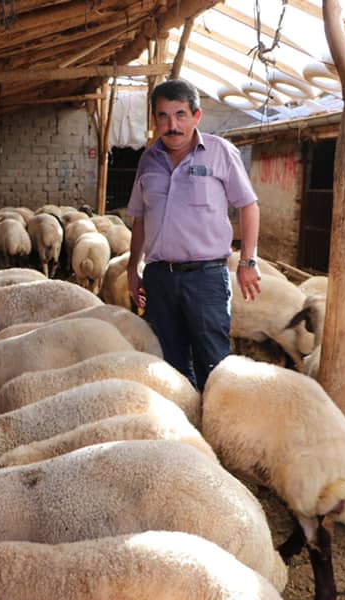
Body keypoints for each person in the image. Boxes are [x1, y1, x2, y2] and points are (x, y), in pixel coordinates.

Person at [126, 79, 261, 391]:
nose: (172, 125)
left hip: (206, 278)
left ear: (196, 116)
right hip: (160, 278)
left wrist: (248, 261)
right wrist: (133, 268)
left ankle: (219, 430)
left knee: (214, 362)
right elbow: (140, 218)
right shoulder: (148, 160)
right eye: (163, 116)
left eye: (180, 115)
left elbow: (248, 205)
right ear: (154, 119)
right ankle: (184, 433)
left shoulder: (220, 153)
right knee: (168, 364)